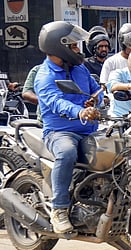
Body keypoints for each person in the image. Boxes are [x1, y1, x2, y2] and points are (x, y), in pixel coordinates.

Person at [35, 21, 103, 234]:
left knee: (119, 149)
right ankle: (59, 209)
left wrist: (96, 101)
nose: (78, 50)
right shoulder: (45, 75)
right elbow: (56, 102)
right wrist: (79, 111)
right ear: (59, 47)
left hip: (89, 130)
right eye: (73, 46)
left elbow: (96, 90)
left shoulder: (80, 69)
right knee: (66, 152)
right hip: (60, 131)